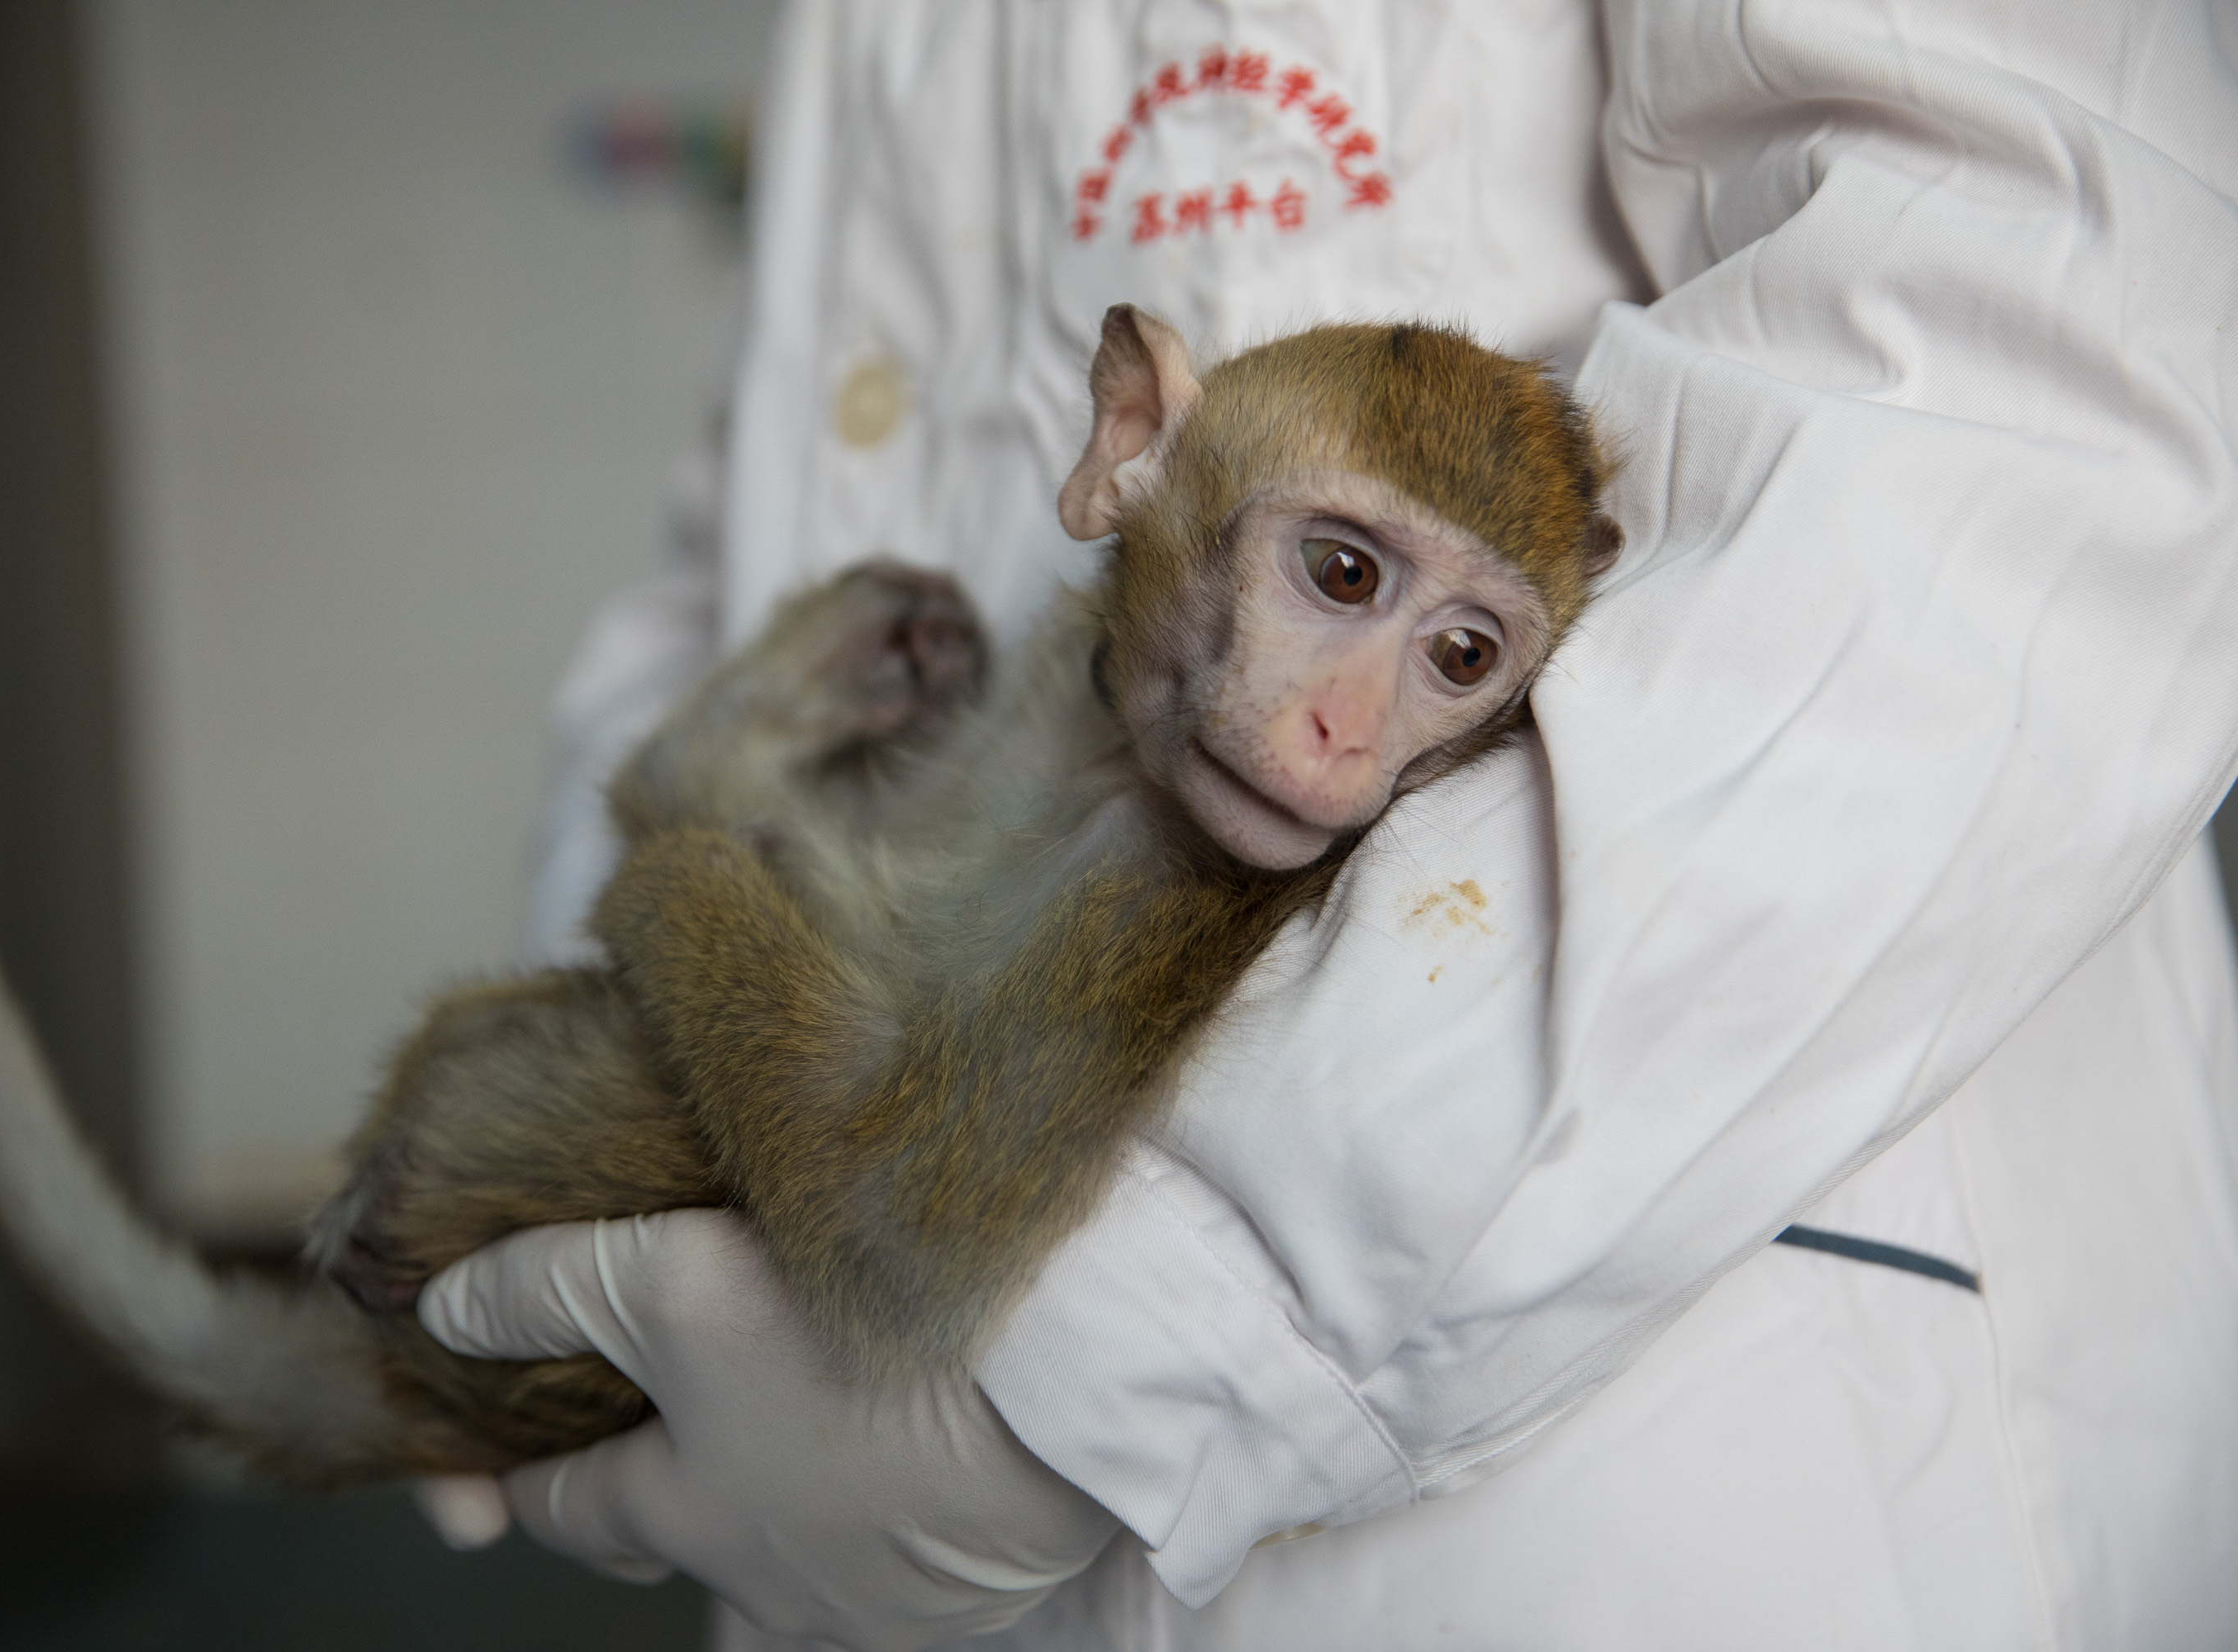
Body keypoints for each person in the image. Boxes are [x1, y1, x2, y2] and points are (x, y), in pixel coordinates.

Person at [417, 1, 2238, 1645]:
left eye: (1448, 643)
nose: (1338, 734)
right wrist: (593, 1153)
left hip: (1649, 1468)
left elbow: (2042, 385)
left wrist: (1159, 1326)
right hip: (833, 1362)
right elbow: (747, 537)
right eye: (1342, 572)